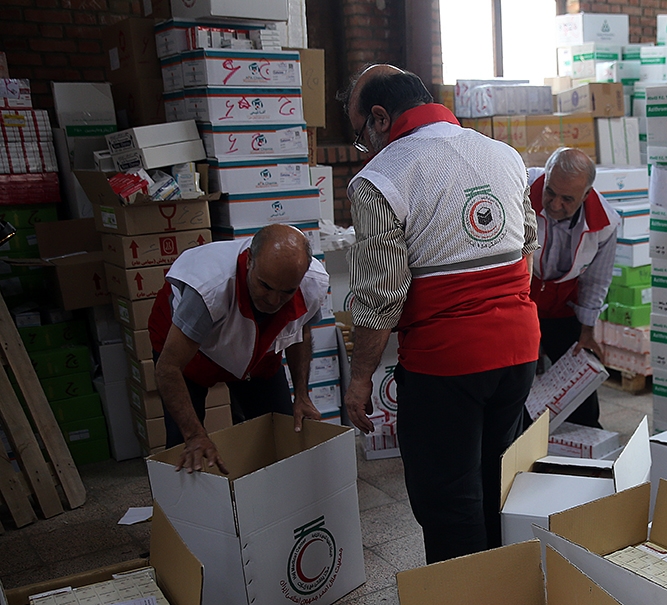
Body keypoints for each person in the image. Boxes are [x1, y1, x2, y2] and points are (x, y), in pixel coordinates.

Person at [340, 65, 540, 564]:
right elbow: (528, 247)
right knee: (500, 478)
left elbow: (380, 293)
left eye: (361, 135)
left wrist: (360, 378)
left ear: (380, 118)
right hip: (518, 351)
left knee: (448, 497)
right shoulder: (505, 155)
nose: (366, 148)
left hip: (445, 363)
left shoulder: (381, 179)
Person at [149, 224, 329, 474]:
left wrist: (302, 394)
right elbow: (168, 368)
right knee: (186, 447)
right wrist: (194, 435)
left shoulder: (311, 283)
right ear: (250, 262)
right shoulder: (210, 288)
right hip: (193, 353)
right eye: (265, 286)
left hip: (258, 352)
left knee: (282, 431)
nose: (273, 300)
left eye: (286, 291)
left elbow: (302, 333)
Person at [527, 147, 619, 428]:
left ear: (586, 195)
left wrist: (587, 332)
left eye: (567, 199)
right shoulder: (521, 188)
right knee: (514, 380)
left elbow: (596, 280)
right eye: (550, 193)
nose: (555, 205)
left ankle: (587, 439)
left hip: (561, 305)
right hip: (520, 299)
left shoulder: (605, 223)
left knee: (580, 386)